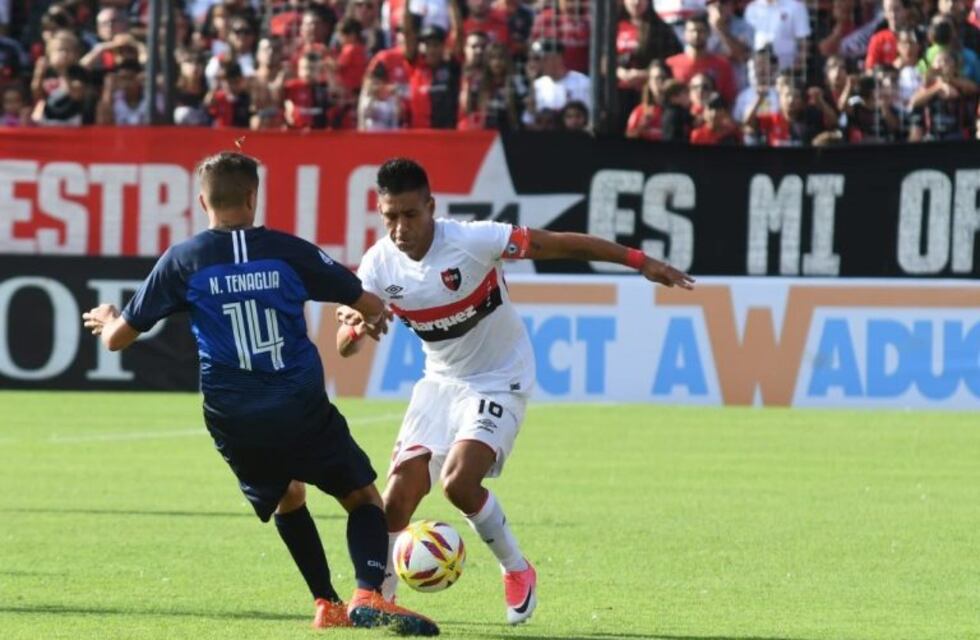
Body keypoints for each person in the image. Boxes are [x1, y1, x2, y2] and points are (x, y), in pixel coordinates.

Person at [80, 151, 439, 636]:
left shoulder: (183, 260)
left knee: (288, 495)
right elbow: (367, 302)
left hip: (233, 416)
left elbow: (120, 338)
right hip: (298, 404)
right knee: (362, 497)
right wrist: (364, 316)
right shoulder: (288, 251)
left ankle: (326, 604)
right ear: (253, 197)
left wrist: (106, 320)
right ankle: (368, 593)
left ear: (203, 201)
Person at [335, 158, 694, 625]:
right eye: (389, 217)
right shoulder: (379, 264)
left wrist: (640, 261)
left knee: (460, 483)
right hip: (439, 383)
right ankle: (380, 598)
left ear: (430, 206)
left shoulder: (472, 240)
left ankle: (517, 569)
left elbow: (558, 244)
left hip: (500, 375)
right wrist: (356, 329)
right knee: (398, 496)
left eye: (409, 215)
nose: (400, 228)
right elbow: (345, 346)